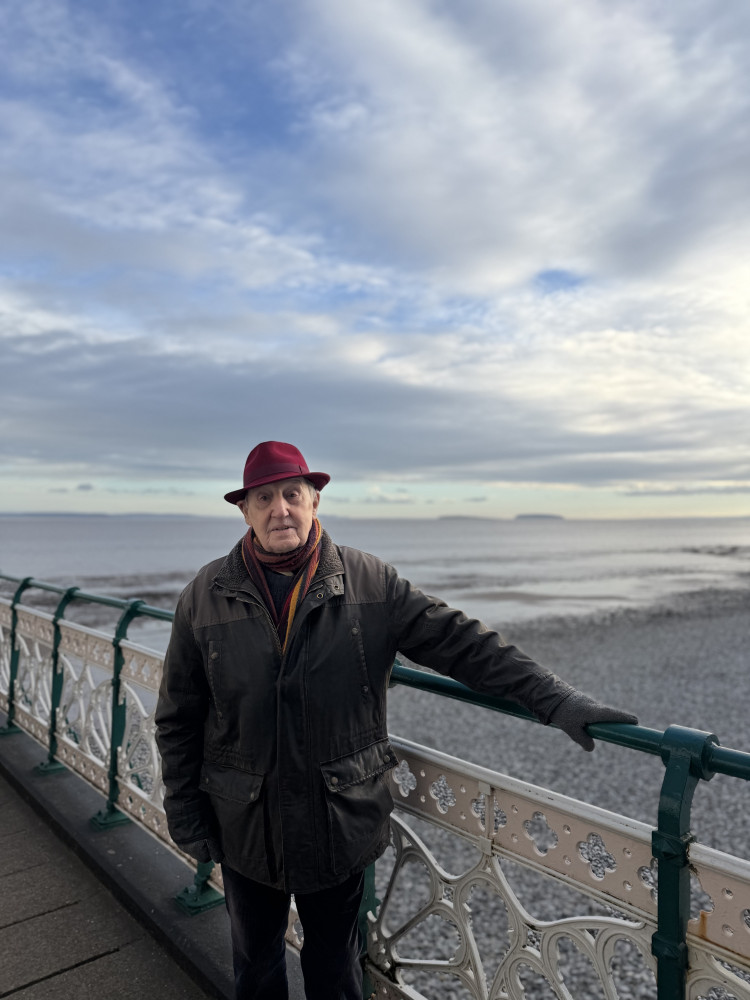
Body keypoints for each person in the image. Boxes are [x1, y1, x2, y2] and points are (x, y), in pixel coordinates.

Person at [155, 441, 637, 1000]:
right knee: (256, 965)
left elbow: (462, 643)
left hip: (338, 823)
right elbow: (178, 717)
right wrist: (185, 811)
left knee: (335, 971)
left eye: (292, 494)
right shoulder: (206, 595)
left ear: (315, 501)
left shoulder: (370, 582)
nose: (278, 509)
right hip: (244, 825)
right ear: (245, 510)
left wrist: (556, 699)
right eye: (263, 498)